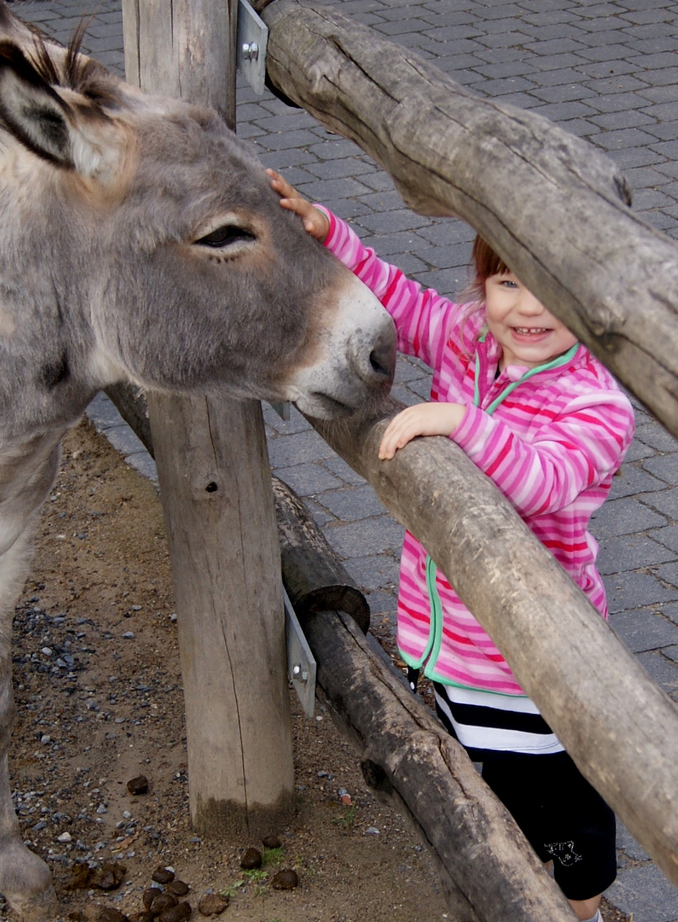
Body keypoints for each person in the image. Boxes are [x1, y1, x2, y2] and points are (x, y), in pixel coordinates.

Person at [268, 169, 634, 922]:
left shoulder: (597, 403)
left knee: (565, 840)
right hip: (451, 658)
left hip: (534, 679)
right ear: (484, 284)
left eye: (551, 289)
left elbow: (545, 479)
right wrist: (328, 233)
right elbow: (398, 300)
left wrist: (457, 424)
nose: (526, 307)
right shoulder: (471, 335)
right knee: (480, 813)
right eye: (505, 282)